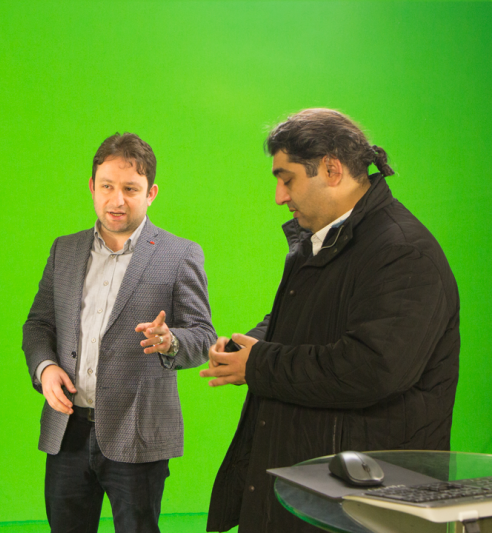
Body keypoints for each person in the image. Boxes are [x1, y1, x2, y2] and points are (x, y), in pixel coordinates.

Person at [201, 108, 460, 533]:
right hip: (309, 495)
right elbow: (306, 317)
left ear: (332, 169)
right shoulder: (325, 240)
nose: (279, 196)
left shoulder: (403, 252)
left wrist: (259, 364)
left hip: (361, 509)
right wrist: (248, 344)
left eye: (287, 180)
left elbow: (371, 368)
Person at [23, 132, 216, 532]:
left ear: (151, 193)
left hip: (138, 433)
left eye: (130, 189)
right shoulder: (64, 250)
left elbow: (203, 336)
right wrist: (45, 368)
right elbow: (38, 325)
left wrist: (170, 342)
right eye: (107, 186)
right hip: (68, 430)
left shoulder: (179, 254)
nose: (117, 200)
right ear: (92, 187)